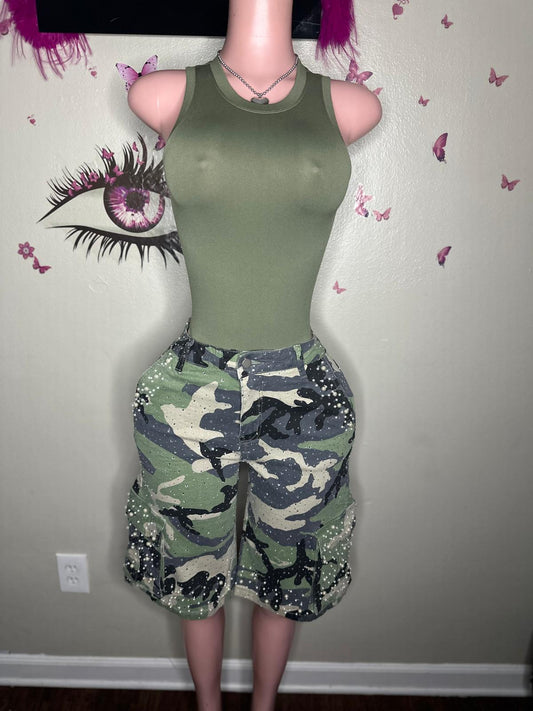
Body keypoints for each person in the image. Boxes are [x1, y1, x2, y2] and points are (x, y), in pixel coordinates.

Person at [123, 2, 381, 710]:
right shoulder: (164, 93)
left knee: (286, 575)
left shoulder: (349, 105)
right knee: (193, 572)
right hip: (188, 387)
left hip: (305, 392)